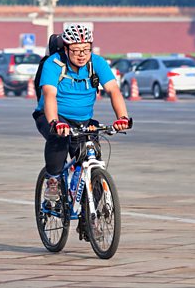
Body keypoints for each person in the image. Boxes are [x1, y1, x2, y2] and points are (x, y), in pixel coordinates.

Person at [32, 24, 131, 201]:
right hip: (52, 116)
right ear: (66, 48)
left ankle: (89, 220)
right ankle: (53, 181)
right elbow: (49, 95)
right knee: (59, 138)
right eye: (76, 50)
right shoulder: (53, 64)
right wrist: (55, 122)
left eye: (86, 49)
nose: (82, 55)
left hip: (83, 121)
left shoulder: (97, 62)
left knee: (93, 158)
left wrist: (122, 118)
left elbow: (113, 90)